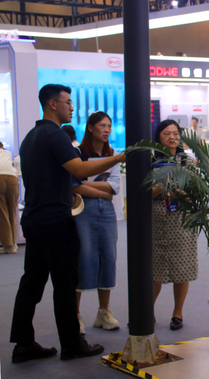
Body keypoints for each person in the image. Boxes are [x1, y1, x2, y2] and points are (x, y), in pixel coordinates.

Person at [10, 84, 124, 364]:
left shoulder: (31, 136)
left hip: (34, 219)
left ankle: (23, 344)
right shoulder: (55, 135)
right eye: (68, 102)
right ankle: (72, 344)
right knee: (65, 283)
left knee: (32, 283)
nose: (72, 107)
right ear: (52, 104)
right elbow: (80, 170)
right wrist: (120, 157)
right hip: (55, 221)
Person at [72, 111, 120, 334]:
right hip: (83, 210)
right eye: (102, 125)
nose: (107, 129)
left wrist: (89, 186)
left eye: (109, 126)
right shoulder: (78, 153)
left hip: (108, 213)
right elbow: (75, 185)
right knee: (83, 256)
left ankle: (104, 311)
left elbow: (115, 186)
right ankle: (75, 315)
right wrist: (101, 192)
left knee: (108, 257)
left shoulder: (114, 155)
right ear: (90, 127)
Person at [152, 120, 198, 331]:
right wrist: (169, 190)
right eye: (166, 133)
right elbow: (145, 189)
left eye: (175, 133)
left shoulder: (187, 160)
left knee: (182, 266)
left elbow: (195, 190)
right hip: (155, 217)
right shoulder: (150, 159)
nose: (171, 136)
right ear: (158, 137)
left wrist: (173, 191)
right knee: (154, 267)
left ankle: (177, 313)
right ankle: (146, 310)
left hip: (182, 218)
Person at [0, 141, 19, 253]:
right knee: (12, 211)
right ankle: (13, 243)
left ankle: (8, 245)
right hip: (13, 178)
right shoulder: (7, 153)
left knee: (2, 212)